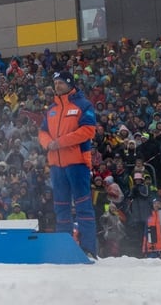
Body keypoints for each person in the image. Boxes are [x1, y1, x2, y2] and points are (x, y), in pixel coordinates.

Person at [38, 71, 98, 259]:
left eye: (61, 82)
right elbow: (42, 132)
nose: (57, 86)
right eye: (55, 83)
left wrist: (60, 142)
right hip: (56, 165)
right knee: (61, 207)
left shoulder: (83, 105)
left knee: (83, 206)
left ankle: (88, 249)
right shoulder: (52, 109)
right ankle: (64, 248)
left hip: (77, 163)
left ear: (70, 84)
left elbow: (88, 131)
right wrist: (48, 143)